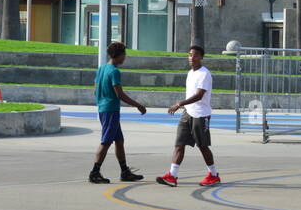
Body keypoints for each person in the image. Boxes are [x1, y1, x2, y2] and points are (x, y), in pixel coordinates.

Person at [156, 45, 219, 187]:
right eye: (190, 55)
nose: (192, 58)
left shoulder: (204, 74)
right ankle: (172, 176)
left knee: (203, 146)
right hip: (187, 113)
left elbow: (199, 95)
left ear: (201, 57)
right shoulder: (190, 73)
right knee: (179, 144)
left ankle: (214, 175)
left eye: (195, 55)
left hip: (200, 115)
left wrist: (179, 104)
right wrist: (184, 106)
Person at [90, 41, 146, 184]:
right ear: (119, 55)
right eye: (124, 54)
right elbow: (119, 94)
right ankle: (94, 172)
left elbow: (95, 89)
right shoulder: (114, 71)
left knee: (119, 141)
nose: (125, 57)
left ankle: (124, 171)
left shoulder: (102, 68)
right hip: (111, 110)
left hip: (104, 108)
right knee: (106, 141)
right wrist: (138, 105)